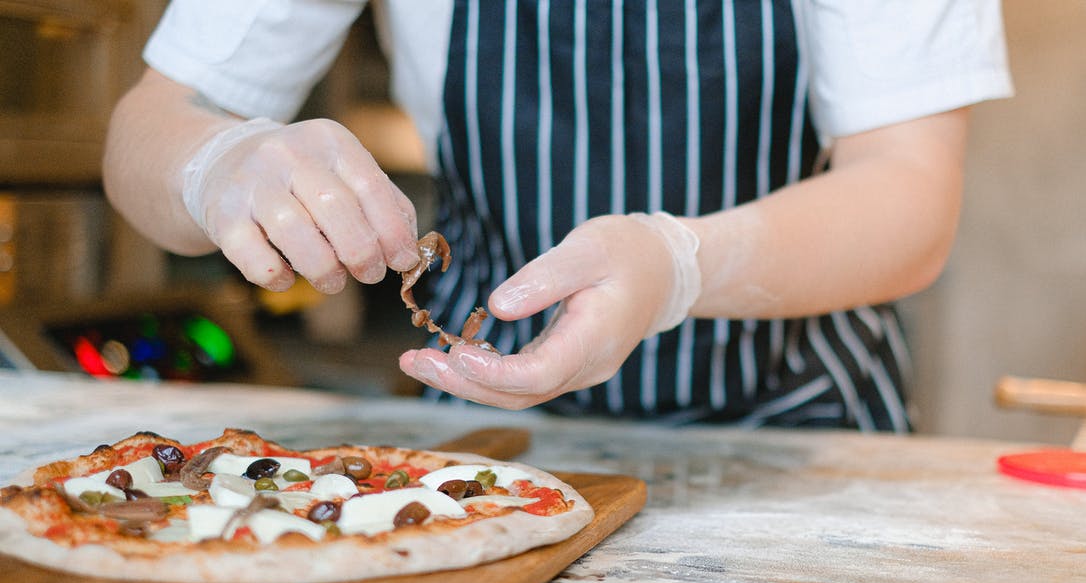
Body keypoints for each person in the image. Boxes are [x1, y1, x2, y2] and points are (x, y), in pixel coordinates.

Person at [102, 1, 1013, 431]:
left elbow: (910, 193)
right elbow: (147, 129)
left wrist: (679, 264)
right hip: (484, 443)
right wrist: (215, 163)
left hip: (797, 419)